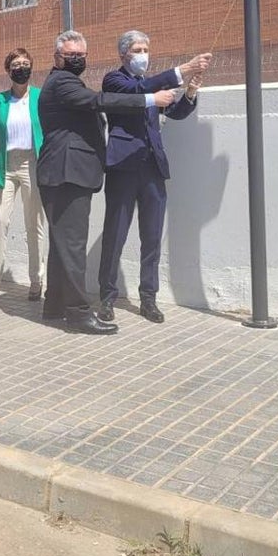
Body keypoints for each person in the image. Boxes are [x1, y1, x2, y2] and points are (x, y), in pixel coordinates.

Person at [36, 30, 180, 335]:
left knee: (62, 244)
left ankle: (55, 304)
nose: (77, 60)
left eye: (81, 55)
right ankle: (78, 313)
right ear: (57, 57)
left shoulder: (64, 81)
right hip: (67, 171)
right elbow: (98, 100)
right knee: (73, 245)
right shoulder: (63, 82)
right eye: (71, 55)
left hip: (66, 172)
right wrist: (150, 99)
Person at [97, 32, 211, 324]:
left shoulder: (152, 85)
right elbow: (139, 91)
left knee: (152, 238)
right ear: (124, 54)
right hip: (123, 168)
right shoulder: (114, 80)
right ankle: (107, 297)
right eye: (137, 49)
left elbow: (176, 112)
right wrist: (183, 69)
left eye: (146, 49)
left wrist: (189, 92)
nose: (143, 54)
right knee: (115, 235)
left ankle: (148, 297)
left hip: (152, 169)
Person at [0, 48, 46, 304]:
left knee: (34, 223)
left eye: (25, 63)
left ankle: (36, 279)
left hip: (32, 163)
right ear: (8, 70)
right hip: (4, 165)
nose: (21, 68)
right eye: (16, 64)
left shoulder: (40, 96)